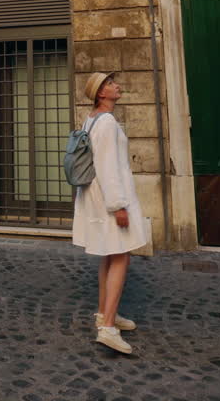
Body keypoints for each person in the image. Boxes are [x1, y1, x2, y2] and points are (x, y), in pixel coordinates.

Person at [72, 71, 149, 355]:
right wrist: (118, 206)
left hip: (97, 196)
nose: (117, 86)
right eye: (110, 83)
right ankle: (107, 328)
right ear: (101, 93)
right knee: (121, 256)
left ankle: (107, 314)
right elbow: (107, 166)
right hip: (109, 198)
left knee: (109, 253)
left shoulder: (92, 119)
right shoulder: (106, 122)